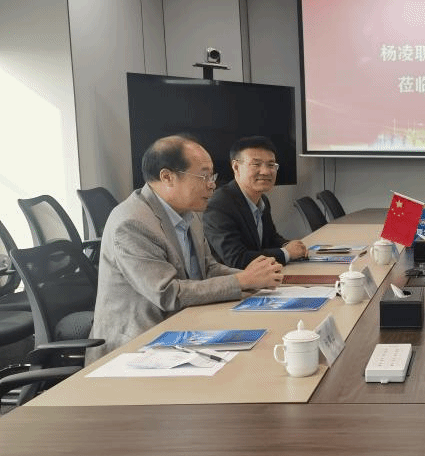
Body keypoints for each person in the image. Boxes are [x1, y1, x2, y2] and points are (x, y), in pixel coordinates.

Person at [89, 135, 284, 357]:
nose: (212, 184)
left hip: (186, 328)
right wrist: (242, 280)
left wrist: (256, 279)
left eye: (212, 176)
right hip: (137, 348)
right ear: (167, 177)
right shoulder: (132, 223)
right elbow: (168, 293)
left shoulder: (189, 213)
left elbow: (207, 268)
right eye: (204, 176)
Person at [204, 136, 307, 267]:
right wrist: (286, 253)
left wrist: (289, 245)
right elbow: (236, 259)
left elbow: (270, 239)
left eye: (271, 165)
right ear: (236, 167)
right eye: (256, 164)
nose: (266, 171)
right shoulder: (219, 205)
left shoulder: (262, 199)